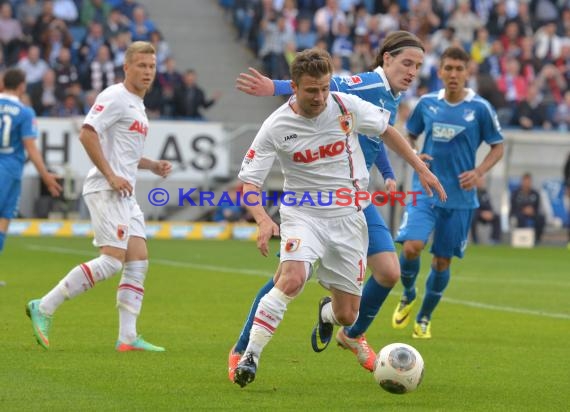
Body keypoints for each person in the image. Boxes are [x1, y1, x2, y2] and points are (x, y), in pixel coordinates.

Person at [232, 47, 446, 388]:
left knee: (347, 314)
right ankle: (250, 357)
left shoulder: (345, 105)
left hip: (349, 214)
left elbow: (387, 130)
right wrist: (262, 219)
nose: (319, 97)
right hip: (304, 212)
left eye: (324, 88)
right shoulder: (275, 125)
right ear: (295, 87)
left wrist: (420, 169)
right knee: (292, 279)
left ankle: (326, 313)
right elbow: (250, 182)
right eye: (311, 90)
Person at [26, 41, 172, 351]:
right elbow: (87, 133)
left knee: (138, 261)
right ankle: (45, 306)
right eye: (141, 66)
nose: (147, 72)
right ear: (126, 67)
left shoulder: (137, 104)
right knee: (111, 261)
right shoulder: (115, 96)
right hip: (106, 189)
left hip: (124, 192)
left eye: (151, 66)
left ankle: (128, 337)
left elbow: (123, 152)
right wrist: (110, 175)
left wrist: (151, 165)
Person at [392, 46, 504, 339]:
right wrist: (415, 155)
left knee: (442, 261)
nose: (453, 74)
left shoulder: (480, 109)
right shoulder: (427, 103)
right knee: (411, 246)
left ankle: (424, 317)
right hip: (425, 190)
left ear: (467, 72)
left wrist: (479, 172)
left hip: (460, 199)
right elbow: (409, 135)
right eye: (448, 68)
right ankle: (407, 293)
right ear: (439, 71)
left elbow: (498, 145)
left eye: (459, 69)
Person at [0, 68, 62, 287]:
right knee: (4, 219)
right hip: (9, 170)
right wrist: (45, 175)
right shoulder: (24, 112)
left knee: (5, 218)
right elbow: (31, 147)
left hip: (9, 171)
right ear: (22, 86)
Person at [510, 172, 545, 245]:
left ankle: (537, 239)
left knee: (540, 218)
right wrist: (523, 210)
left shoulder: (535, 194)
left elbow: (537, 207)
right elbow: (513, 207)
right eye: (525, 181)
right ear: (522, 182)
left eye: (528, 182)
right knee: (520, 218)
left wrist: (532, 210)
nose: (527, 183)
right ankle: (522, 239)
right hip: (518, 213)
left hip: (532, 213)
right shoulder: (515, 193)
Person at [471, 175, 501, 244]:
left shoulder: (485, 193)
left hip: (485, 215)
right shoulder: (472, 192)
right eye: (480, 180)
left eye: (483, 180)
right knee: (473, 217)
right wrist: (481, 213)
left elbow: (490, 205)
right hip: (476, 214)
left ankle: (495, 240)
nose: (482, 182)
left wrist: (490, 212)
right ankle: (475, 240)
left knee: (497, 217)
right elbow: (472, 207)